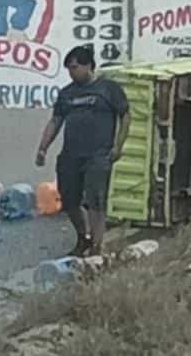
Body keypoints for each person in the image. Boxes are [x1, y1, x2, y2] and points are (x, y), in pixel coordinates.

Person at [36, 46, 131, 257]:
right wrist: (43, 148)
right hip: (71, 154)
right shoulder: (67, 94)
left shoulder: (108, 89)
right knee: (69, 200)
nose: (72, 72)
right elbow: (55, 121)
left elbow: (125, 116)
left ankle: (98, 246)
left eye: (75, 67)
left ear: (88, 65)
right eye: (69, 69)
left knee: (96, 200)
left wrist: (118, 146)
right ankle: (83, 237)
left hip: (98, 154)